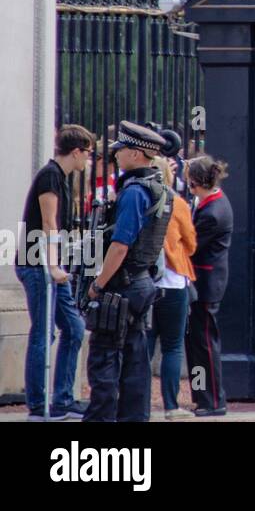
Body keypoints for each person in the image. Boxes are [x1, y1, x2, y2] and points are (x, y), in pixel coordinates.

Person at [83, 121, 173, 423]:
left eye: (120, 150)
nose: (116, 155)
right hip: (141, 282)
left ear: (136, 154)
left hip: (121, 284)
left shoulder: (134, 192)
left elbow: (121, 245)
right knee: (135, 362)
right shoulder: (158, 188)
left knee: (105, 359)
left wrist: (98, 285)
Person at [17, 124, 94, 421]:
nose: (88, 159)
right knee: (43, 332)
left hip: (48, 264)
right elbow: (48, 223)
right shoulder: (50, 176)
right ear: (75, 151)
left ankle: (63, 398)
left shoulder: (60, 177)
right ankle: (38, 405)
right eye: (86, 153)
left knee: (74, 328)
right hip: (38, 264)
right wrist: (52, 265)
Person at [147, 156, 197, 420]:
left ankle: (138, 402)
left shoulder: (138, 200)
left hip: (144, 283)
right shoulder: (178, 204)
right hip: (173, 281)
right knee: (173, 346)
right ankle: (170, 405)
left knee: (143, 345)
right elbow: (191, 243)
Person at [186, 154, 233, 417]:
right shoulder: (211, 202)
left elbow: (191, 245)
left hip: (206, 283)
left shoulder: (212, 214)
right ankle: (201, 397)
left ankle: (213, 401)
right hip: (204, 281)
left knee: (204, 344)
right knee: (197, 344)